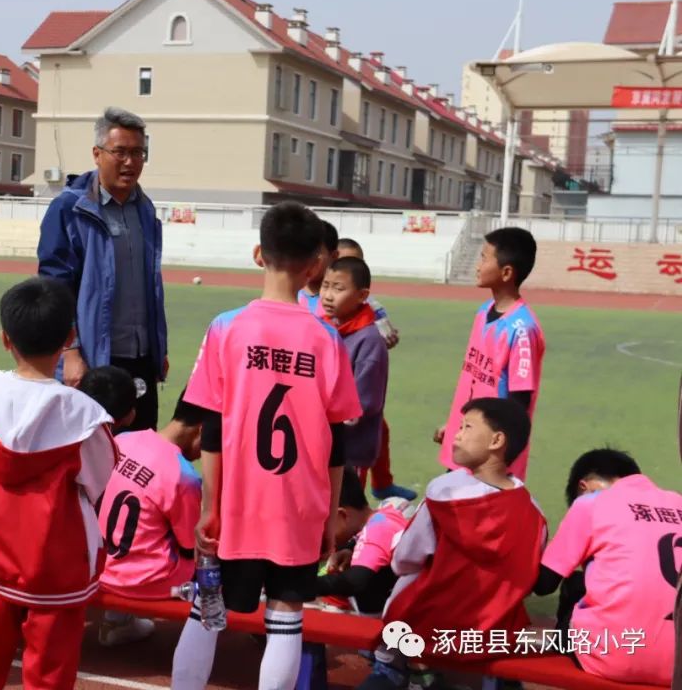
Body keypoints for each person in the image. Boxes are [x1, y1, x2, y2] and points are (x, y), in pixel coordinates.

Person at [171, 201, 361, 690]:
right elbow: (337, 440)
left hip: (237, 502)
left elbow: (212, 428)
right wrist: (329, 515)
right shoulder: (328, 340)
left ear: (259, 254)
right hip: (298, 504)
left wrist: (210, 506)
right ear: (315, 266)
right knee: (286, 618)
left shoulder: (226, 327)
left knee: (206, 611)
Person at [0, 277, 117, 690]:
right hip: (55, 560)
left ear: (5, 339)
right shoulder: (84, 416)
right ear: (69, 338)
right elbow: (98, 481)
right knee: (49, 672)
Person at [361, 397, 545, 690]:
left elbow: (404, 560)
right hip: (493, 634)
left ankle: (392, 665)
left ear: (496, 441)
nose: (455, 435)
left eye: (467, 427)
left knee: (403, 573)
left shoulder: (445, 492)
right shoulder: (535, 513)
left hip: (430, 627)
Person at [37, 107, 168, 431]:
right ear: (97, 154)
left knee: (140, 449)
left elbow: (150, 286)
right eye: (120, 152)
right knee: (95, 451)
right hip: (94, 359)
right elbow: (55, 287)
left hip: (140, 359)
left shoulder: (145, 209)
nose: (130, 162)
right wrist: (70, 352)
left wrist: (157, 348)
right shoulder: (70, 208)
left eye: (138, 153)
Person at [532, 448, 678, 687]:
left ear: (584, 486)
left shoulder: (589, 503)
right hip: (676, 668)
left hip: (611, 656)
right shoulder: (678, 502)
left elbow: (544, 585)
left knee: (575, 585)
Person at [98, 389, 205, 647]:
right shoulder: (184, 475)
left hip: (98, 567)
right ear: (201, 429)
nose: (206, 453)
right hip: (145, 583)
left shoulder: (122, 440)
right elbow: (189, 547)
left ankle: (116, 620)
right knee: (215, 563)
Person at [435, 227, 543, 481]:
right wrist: (456, 426)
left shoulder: (522, 329)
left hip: (488, 460)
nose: (477, 265)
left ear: (506, 273)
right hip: (466, 444)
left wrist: (498, 460)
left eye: (484, 258)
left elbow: (518, 404)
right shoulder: (484, 311)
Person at [334, 238, 414, 502]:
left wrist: (386, 339)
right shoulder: (317, 301)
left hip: (353, 400)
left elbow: (383, 333)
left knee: (373, 430)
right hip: (332, 403)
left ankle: (380, 484)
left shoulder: (370, 310)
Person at [321, 257, 388, 476]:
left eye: (338, 288)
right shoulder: (324, 329)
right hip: (323, 443)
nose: (328, 295)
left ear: (362, 295)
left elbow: (364, 403)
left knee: (344, 498)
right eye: (325, 286)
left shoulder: (369, 341)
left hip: (350, 451)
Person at [314, 468, 412, 617]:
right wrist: (349, 550)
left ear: (341, 515)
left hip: (408, 618)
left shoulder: (378, 529)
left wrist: (302, 585)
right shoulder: (382, 517)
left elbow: (355, 581)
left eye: (320, 525)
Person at [296, 219, 339, 319]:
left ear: (334, 256)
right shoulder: (287, 296)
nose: (306, 258)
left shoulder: (345, 301)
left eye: (315, 252)